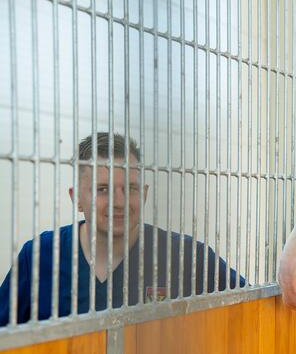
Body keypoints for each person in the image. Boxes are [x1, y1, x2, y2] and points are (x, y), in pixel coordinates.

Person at [0, 133, 244, 326]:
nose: (119, 202)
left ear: (145, 194)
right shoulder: (40, 256)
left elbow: (252, 307)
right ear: (77, 199)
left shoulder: (185, 256)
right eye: (102, 189)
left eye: (130, 189)